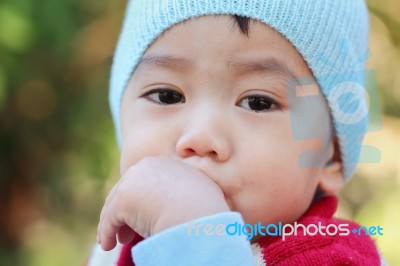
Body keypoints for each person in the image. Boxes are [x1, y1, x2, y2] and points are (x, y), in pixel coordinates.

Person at [91, 0, 383, 265]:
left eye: (258, 102)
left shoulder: (336, 254)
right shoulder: (116, 247)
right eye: (166, 95)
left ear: (329, 157)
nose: (201, 137)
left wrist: (196, 239)